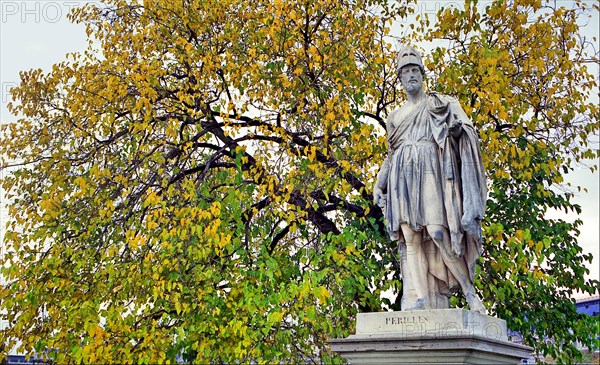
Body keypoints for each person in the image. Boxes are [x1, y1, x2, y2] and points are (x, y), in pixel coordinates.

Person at [373, 46, 487, 313]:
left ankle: (470, 292)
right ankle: (421, 297)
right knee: (410, 238)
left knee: (437, 232)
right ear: (399, 79)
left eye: (415, 70)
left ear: (422, 75)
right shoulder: (394, 117)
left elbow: (466, 131)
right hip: (403, 176)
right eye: (405, 72)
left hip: (430, 173)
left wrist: (458, 133)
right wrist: (380, 183)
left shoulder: (439, 104)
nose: (410, 75)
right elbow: (391, 154)